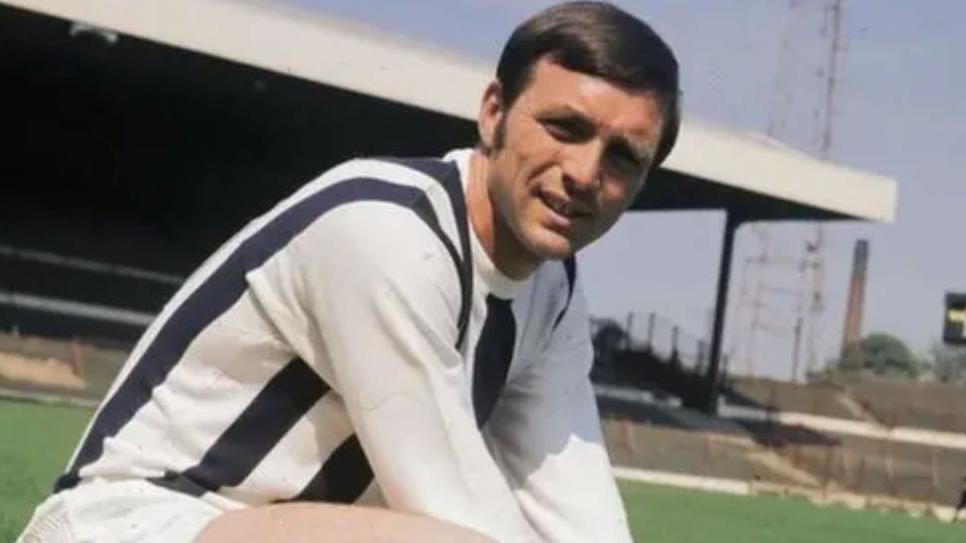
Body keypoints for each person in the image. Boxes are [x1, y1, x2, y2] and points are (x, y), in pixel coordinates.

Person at [18, 2, 680, 542]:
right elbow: (453, 509)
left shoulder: (554, 293)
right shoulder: (386, 228)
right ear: (493, 113)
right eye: (564, 127)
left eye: (624, 158)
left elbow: (580, 513)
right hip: (133, 524)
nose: (587, 173)